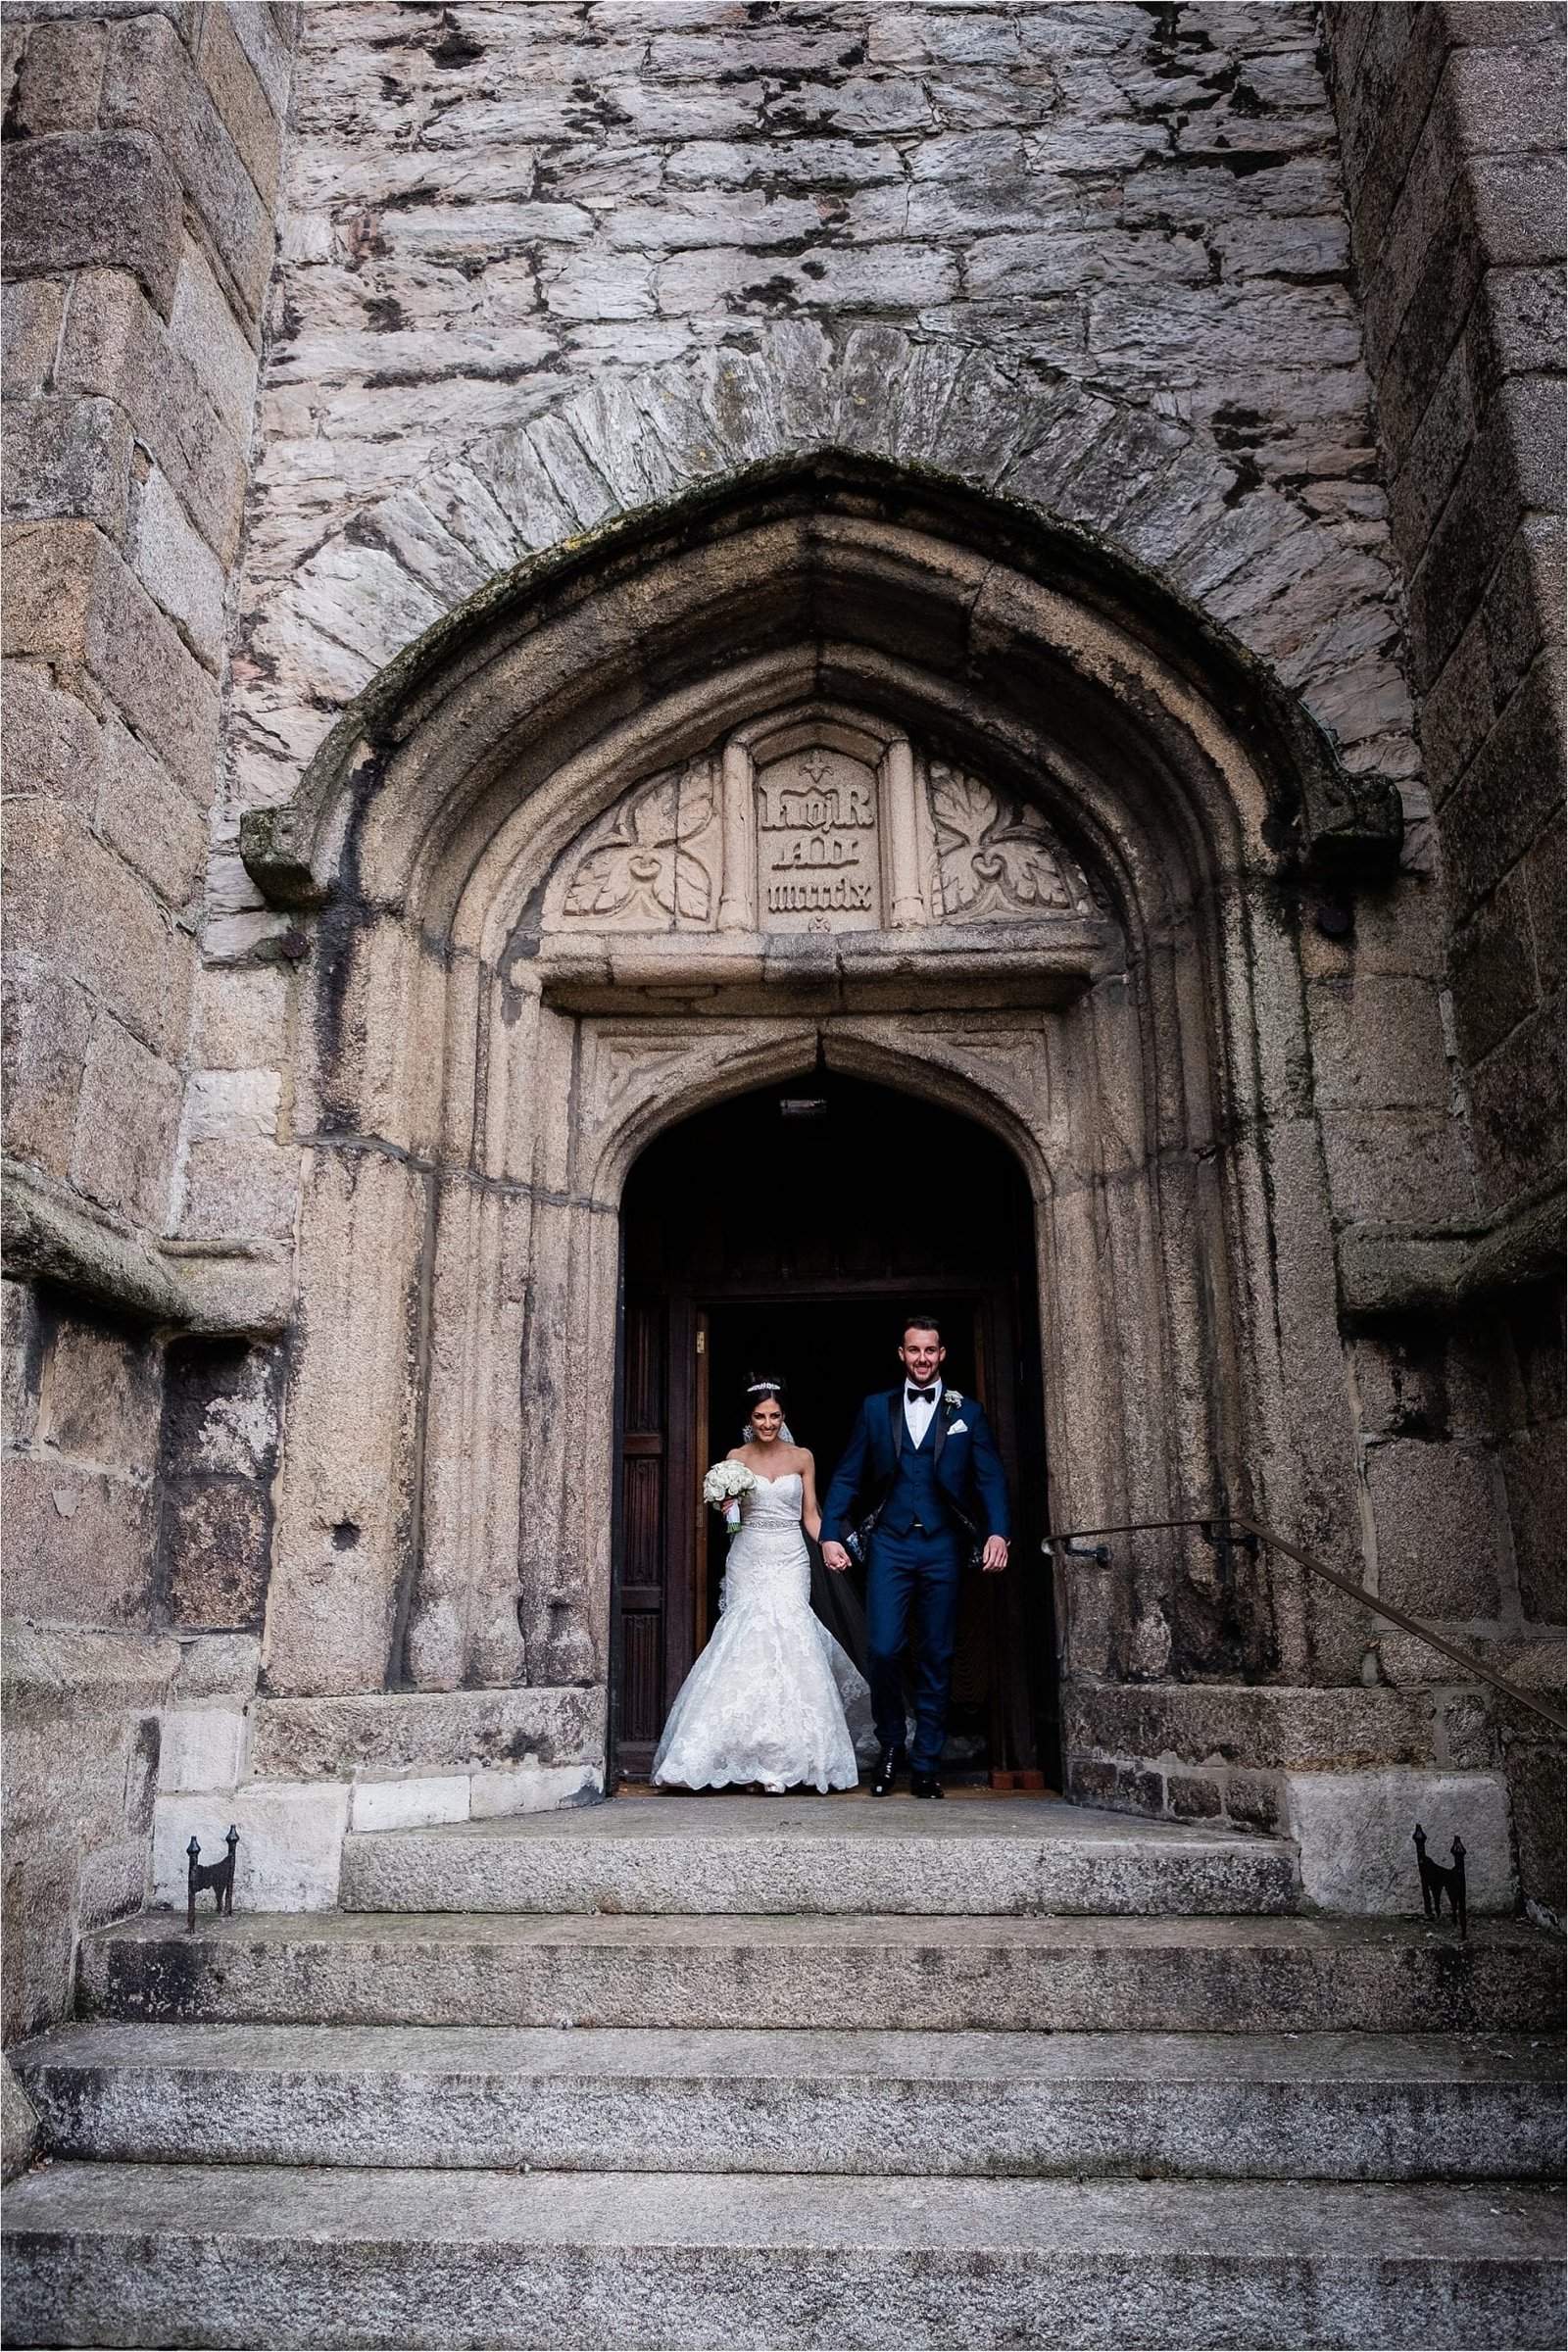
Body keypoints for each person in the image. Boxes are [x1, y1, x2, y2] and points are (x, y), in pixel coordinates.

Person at [652, 1376, 874, 1793]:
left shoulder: (803, 1457)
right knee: (746, 1640)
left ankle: (791, 1757)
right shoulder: (735, 1458)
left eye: (774, 1416)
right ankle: (739, 1753)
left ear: (784, 1416)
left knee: (791, 1636)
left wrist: (829, 1544)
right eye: (760, 1417)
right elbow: (733, 1525)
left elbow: (810, 1514)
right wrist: (727, 1509)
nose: (767, 1424)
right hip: (749, 1555)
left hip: (790, 1556)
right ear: (749, 1418)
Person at [819, 1313, 1011, 1798]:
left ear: (942, 1354)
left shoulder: (967, 1410)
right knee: (883, 1647)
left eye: (930, 1350)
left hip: (944, 1546)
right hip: (890, 1543)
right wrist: (829, 1534)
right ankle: (889, 1749)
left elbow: (990, 1478)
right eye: (914, 1350)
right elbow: (847, 1475)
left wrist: (998, 1535)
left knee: (937, 1653)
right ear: (901, 1354)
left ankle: (926, 1761)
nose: (922, 1359)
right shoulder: (875, 1409)